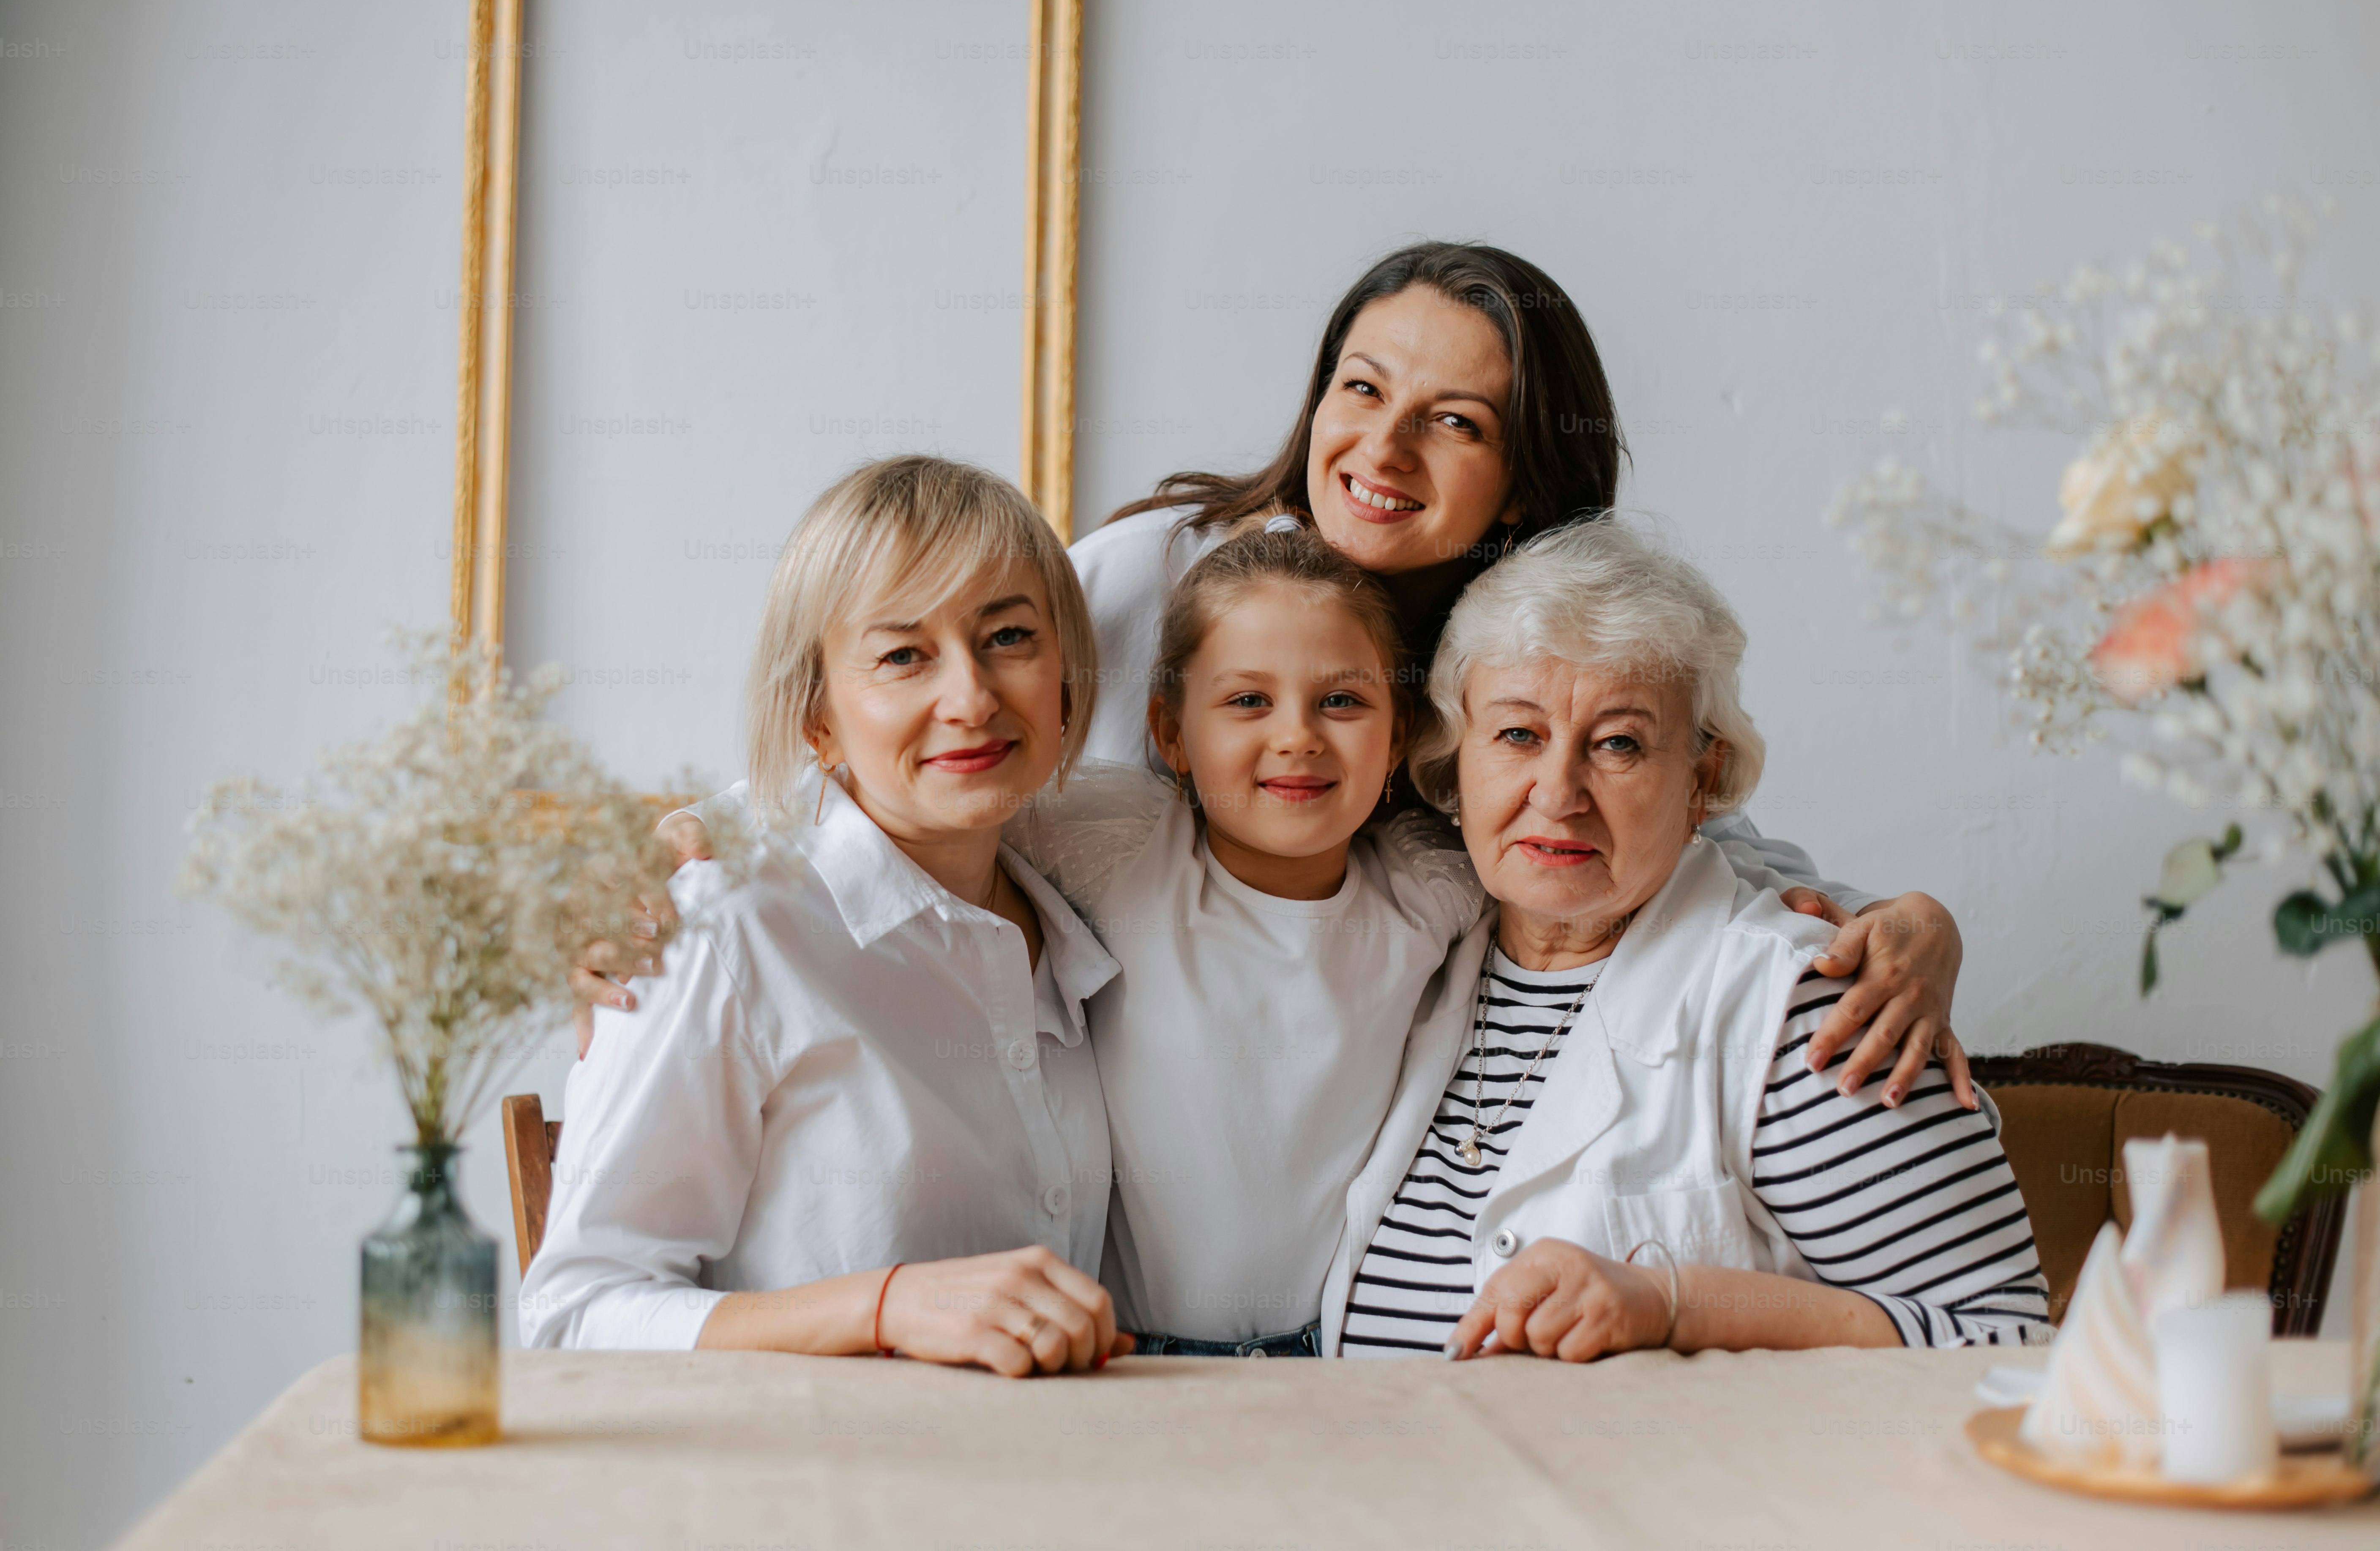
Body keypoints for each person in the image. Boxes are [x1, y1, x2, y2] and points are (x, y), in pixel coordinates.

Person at [1065, 241, 1969, 1108]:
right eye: (1363, 389)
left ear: (1521, 488)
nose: (1384, 448)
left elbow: (1671, 821)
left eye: (1455, 421)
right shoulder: (1142, 578)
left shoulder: (1522, 644)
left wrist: (1914, 921)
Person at [1324, 517, 2052, 1359]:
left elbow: (2006, 1340)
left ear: (1701, 780)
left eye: (1618, 744)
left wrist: (1673, 1305)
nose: (1557, 793)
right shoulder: (1411, 966)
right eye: (1518, 734)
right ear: (1456, 757)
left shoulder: (1807, 1010)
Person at [521, 457, 1124, 1377]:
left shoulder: (1082, 925)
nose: (970, 698)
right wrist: (887, 1306)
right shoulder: (718, 933)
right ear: (818, 721)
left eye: (1007, 638)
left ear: (1067, 681)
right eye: (901, 656)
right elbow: (574, 1316)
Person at [1002, 512, 1485, 1355]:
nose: (1296, 735)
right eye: (1247, 701)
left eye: (1341, 701)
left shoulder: (1430, 884)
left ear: (1398, 732)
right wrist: (710, 827)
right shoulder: (1124, 847)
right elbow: (923, 799)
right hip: (1127, 1353)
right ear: (1169, 734)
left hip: (1335, 1356)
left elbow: (1609, 854)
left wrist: (1785, 899)